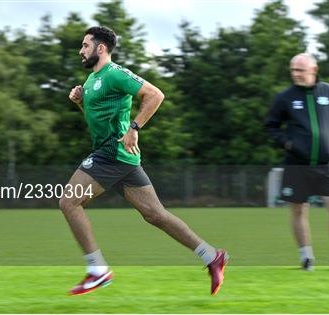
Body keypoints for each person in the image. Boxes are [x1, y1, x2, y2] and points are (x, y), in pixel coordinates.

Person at [60, 26, 228, 296]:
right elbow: (96, 122)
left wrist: (134, 129)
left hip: (111, 154)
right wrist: (81, 102)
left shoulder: (115, 73)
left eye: (85, 45)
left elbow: (155, 94)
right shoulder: (91, 81)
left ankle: (97, 270)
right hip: (118, 156)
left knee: (69, 201)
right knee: (155, 214)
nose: (81, 50)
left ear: (100, 48)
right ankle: (211, 256)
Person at [265, 53, 329, 272]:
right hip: (296, 164)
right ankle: (306, 258)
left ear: (314, 70)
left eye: (301, 70)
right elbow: (271, 126)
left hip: (325, 164)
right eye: (293, 70)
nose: (296, 74)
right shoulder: (285, 97)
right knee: (298, 210)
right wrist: (287, 144)